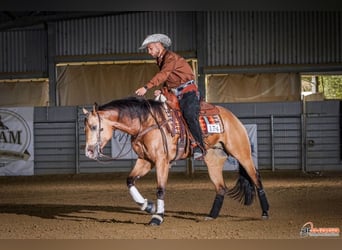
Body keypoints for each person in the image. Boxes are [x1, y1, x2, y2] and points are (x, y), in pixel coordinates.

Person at [135, 33, 206, 160]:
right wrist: (163, 90)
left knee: (189, 114)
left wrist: (147, 87)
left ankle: (199, 146)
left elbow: (164, 74)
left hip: (188, 92)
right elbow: (171, 78)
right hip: (176, 92)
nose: (149, 52)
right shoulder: (161, 59)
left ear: (158, 45)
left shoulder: (171, 57)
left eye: (150, 48)